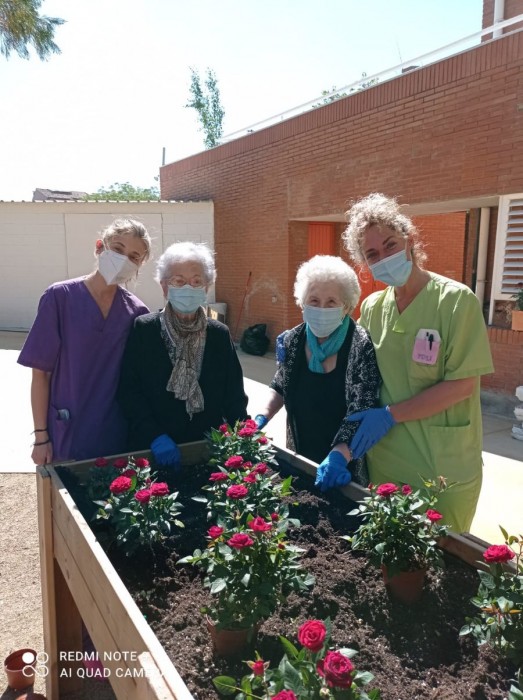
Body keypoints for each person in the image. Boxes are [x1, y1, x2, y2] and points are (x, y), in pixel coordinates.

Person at [343, 193, 494, 532]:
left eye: (390, 245)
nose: (384, 257)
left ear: (410, 240)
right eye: (372, 254)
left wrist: (390, 415)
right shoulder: (372, 308)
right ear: (365, 263)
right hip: (387, 460)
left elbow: (462, 385)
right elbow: (359, 372)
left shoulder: (456, 302)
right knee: (390, 551)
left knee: (444, 554)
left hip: (444, 468)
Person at [18, 218, 152, 464]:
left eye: (134, 257)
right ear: (100, 247)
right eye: (118, 249)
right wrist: (41, 436)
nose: (123, 259)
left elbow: (136, 382)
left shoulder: (136, 313)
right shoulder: (59, 297)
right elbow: (41, 374)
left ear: (139, 266)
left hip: (113, 433)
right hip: (65, 432)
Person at [117, 241, 248, 467]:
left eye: (197, 281)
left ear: (206, 287)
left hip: (207, 451)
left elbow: (234, 396)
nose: (188, 288)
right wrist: (154, 436)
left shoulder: (219, 333)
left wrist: (245, 437)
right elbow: (129, 392)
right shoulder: (145, 329)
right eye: (178, 281)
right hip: (152, 450)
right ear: (164, 286)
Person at [254, 255, 380, 488]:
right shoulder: (293, 339)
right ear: (302, 303)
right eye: (314, 300)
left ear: (346, 307)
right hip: (300, 453)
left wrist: (339, 455)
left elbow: (362, 406)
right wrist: (260, 417)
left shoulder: (360, 343)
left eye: (331, 302)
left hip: (344, 463)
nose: (321, 308)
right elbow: (280, 384)